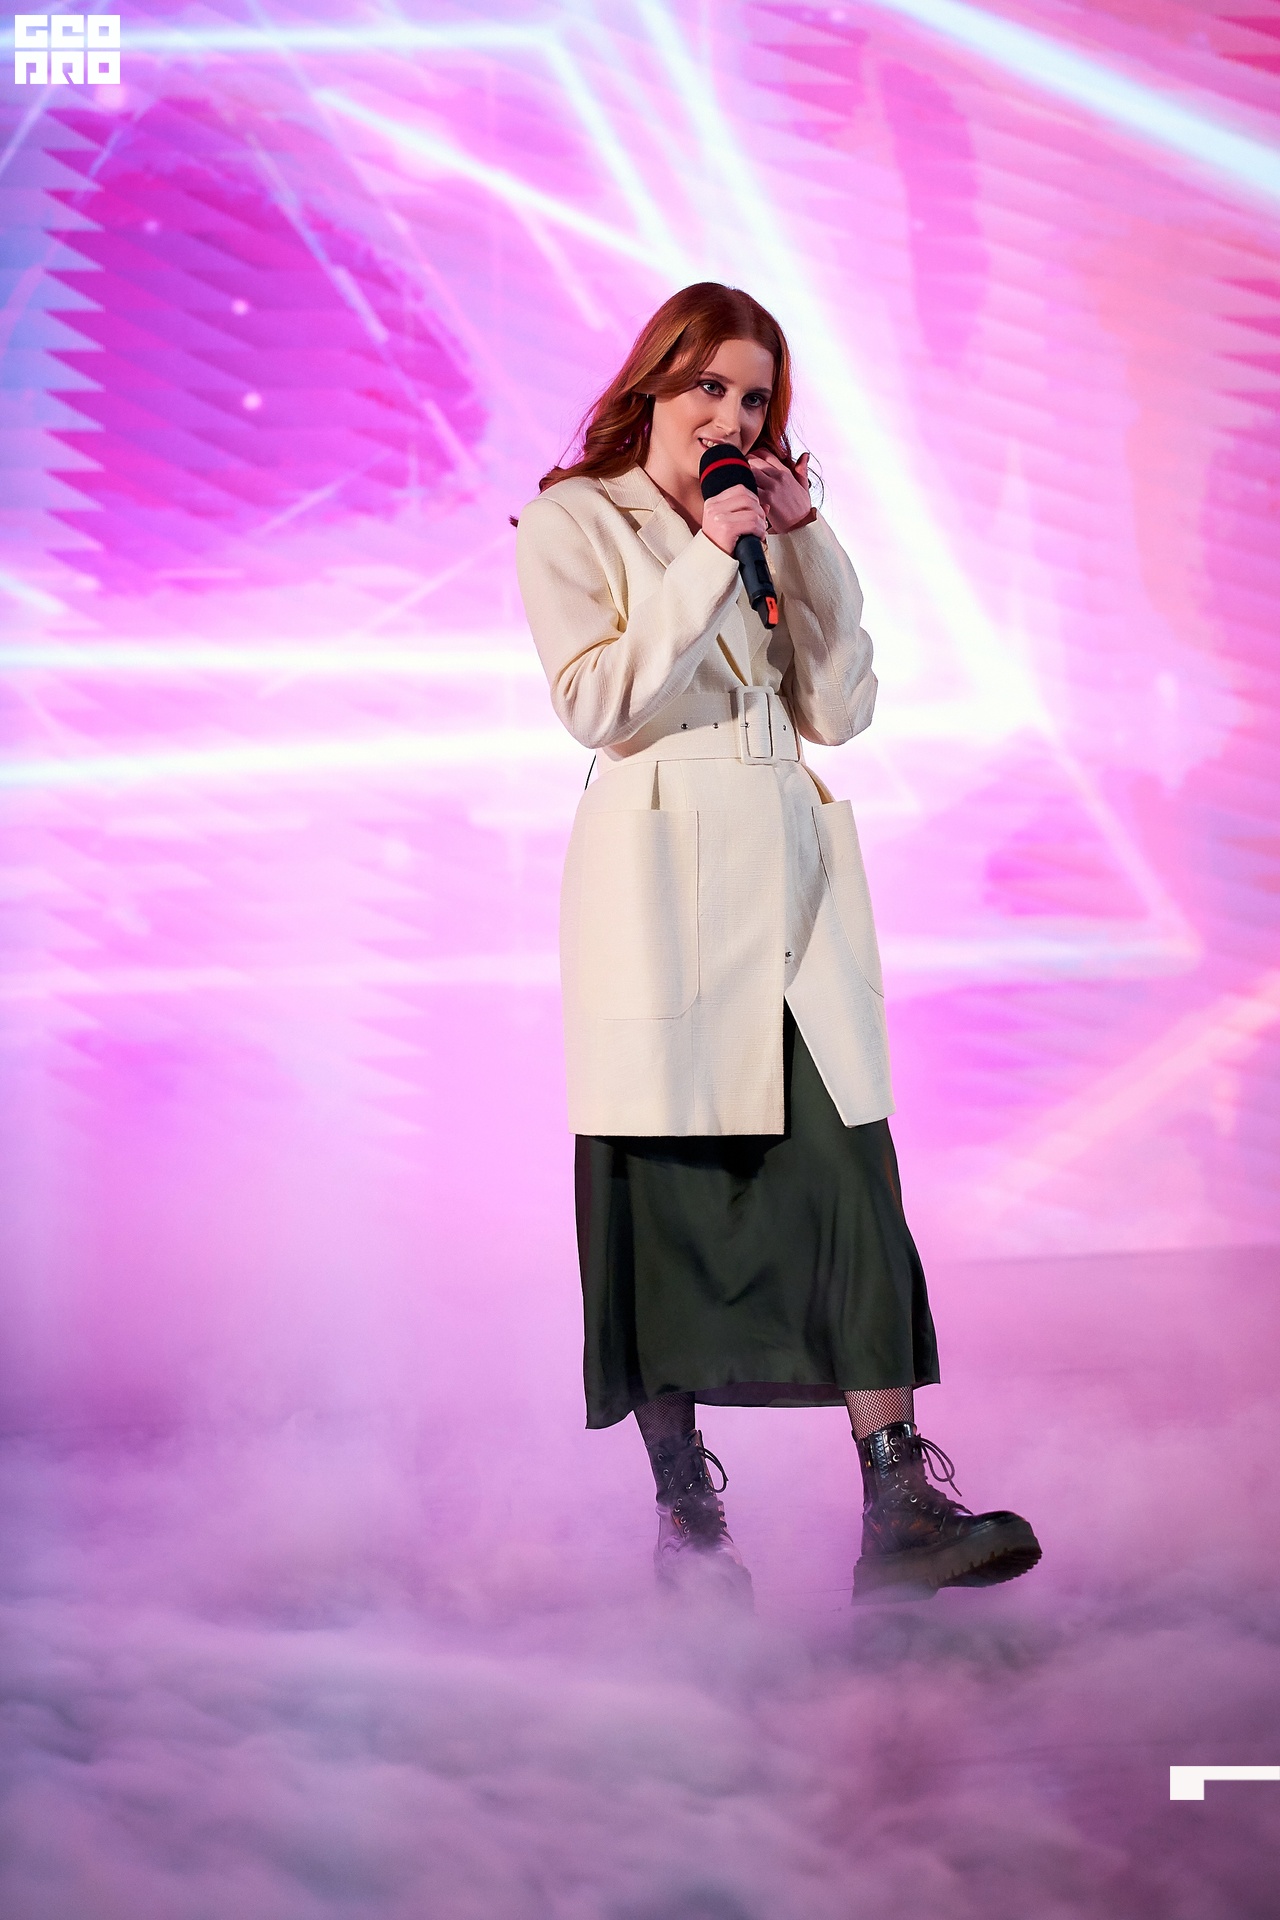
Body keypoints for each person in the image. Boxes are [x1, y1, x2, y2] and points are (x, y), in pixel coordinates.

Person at [516, 283, 1040, 1604]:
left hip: (789, 879)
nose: (732, 417)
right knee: (660, 1201)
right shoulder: (576, 518)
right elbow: (596, 704)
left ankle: (900, 1505)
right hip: (660, 880)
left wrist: (804, 543)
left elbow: (840, 710)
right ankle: (688, 1523)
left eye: (754, 398)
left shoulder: (761, 528)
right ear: (654, 383)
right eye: (709, 386)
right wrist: (705, 554)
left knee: (853, 1180)